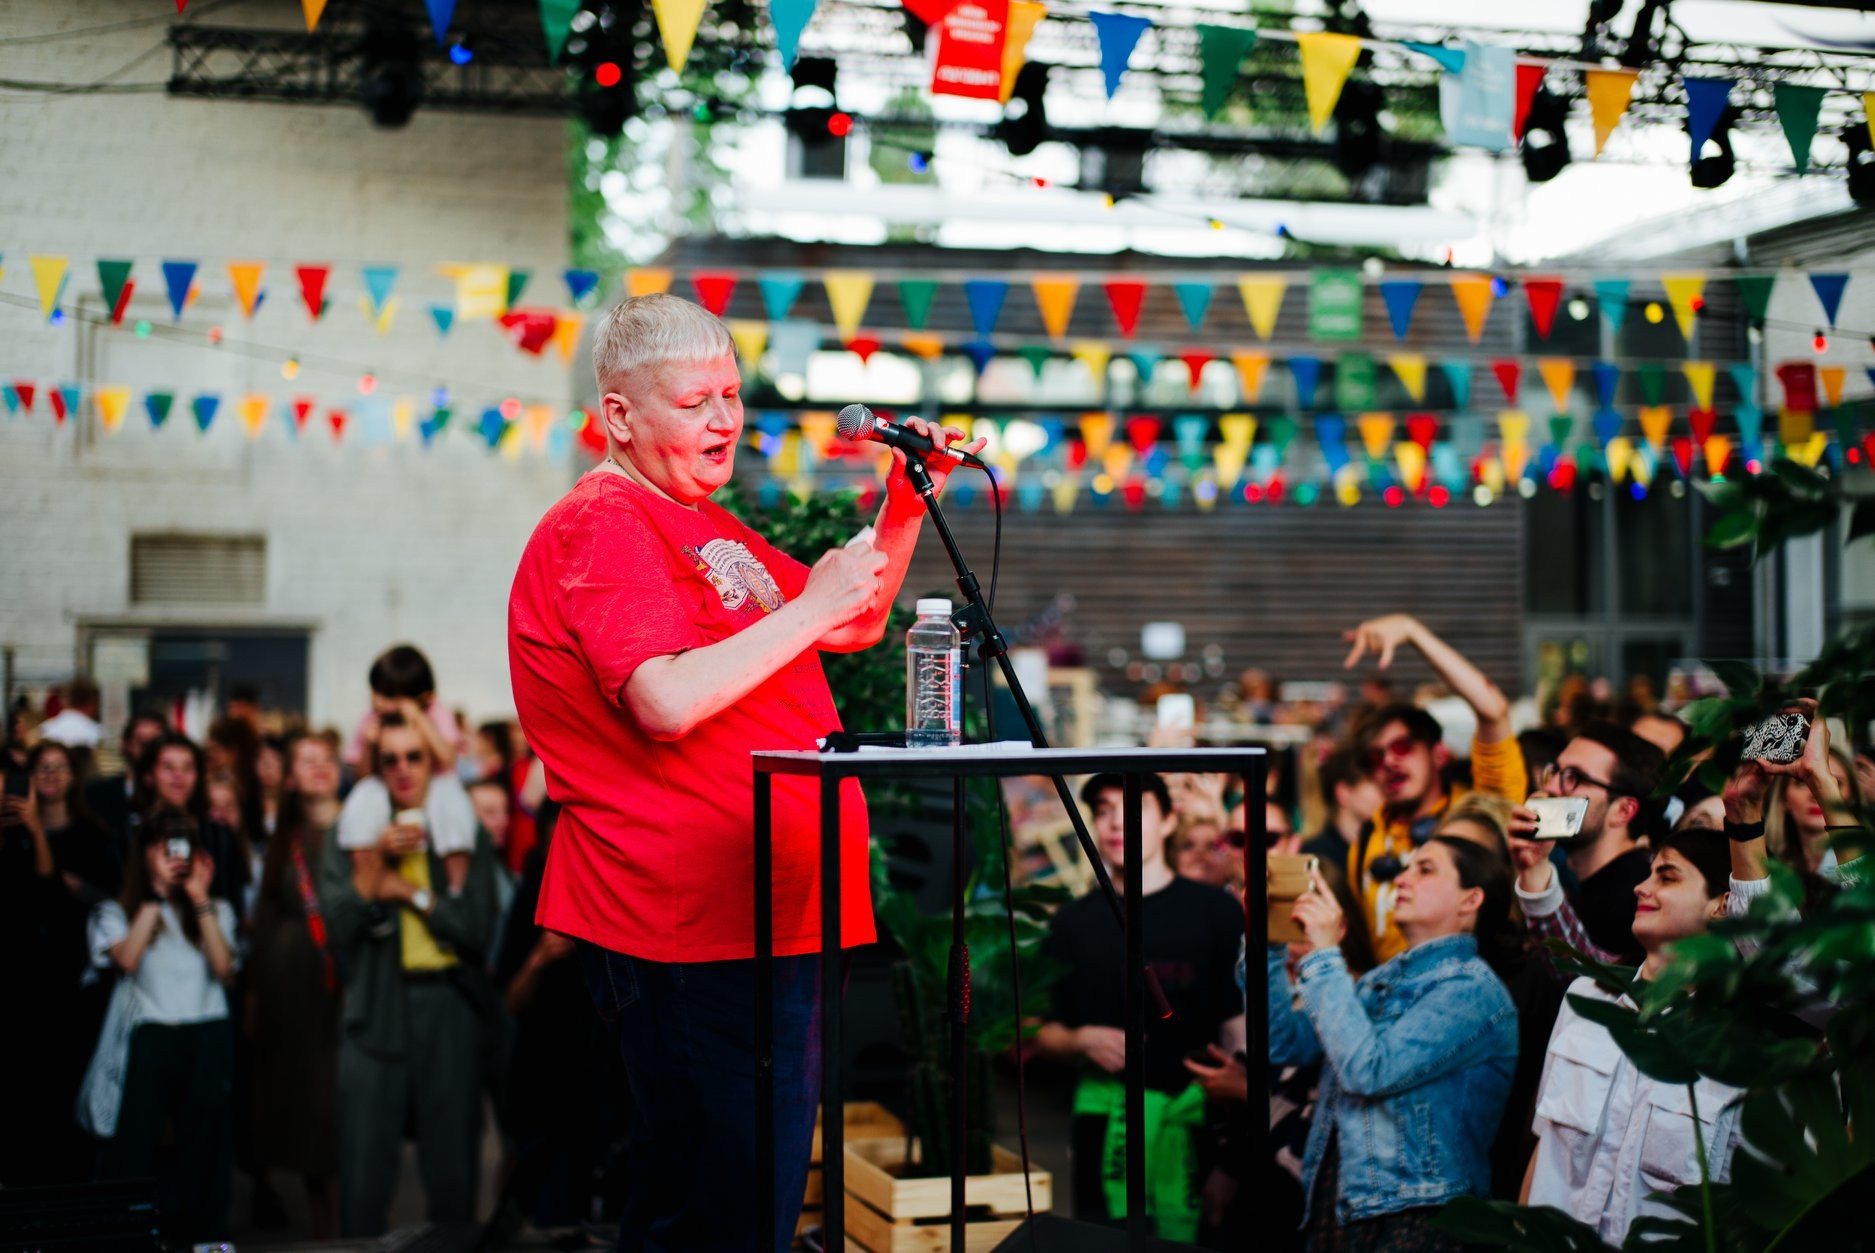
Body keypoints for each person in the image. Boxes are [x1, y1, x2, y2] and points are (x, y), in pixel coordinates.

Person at [507, 292, 981, 1252]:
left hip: (769, 914)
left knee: (751, 1202)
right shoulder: (605, 522)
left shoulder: (697, 521)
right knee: (713, 1210)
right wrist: (810, 608)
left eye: (729, 394)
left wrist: (903, 500)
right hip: (688, 926)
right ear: (619, 415)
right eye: (694, 402)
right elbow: (664, 700)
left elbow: (851, 618)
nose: (723, 418)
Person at [1267, 836, 1519, 1250]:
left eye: (1425, 869)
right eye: (1406, 867)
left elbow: (1369, 1072)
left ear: (1470, 900)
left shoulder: (1471, 991)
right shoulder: (1378, 980)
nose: (1401, 879)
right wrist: (1266, 947)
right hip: (1342, 1204)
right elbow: (1283, 1043)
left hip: (1419, 1220)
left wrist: (1325, 955)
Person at [1034, 773, 1247, 1240]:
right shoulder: (1073, 923)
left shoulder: (1216, 912)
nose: (1117, 822)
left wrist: (1236, 1158)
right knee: (1104, 1240)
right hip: (1102, 1125)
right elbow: (1038, 1030)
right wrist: (1080, 1039)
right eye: (1104, 811)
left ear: (1169, 821)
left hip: (1197, 1122)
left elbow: (1239, 1034)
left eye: (1135, 808)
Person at [319, 714, 501, 1238]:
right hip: (376, 1007)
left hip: (447, 1007)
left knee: (453, 1178)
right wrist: (376, 861)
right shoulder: (352, 832)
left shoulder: (460, 828)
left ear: (432, 763)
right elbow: (338, 927)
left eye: (414, 756)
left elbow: (476, 929)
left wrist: (410, 893)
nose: (402, 768)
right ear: (376, 767)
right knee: (362, 1179)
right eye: (390, 759)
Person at [1520, 828, 1743, 1243]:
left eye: (1667, 876)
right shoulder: (1586, 997)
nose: (1642, 887)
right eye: (1648, 873)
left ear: (1722, 904)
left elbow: (1745, 1206)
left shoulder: (1741, 1047)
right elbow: (1544, 1148)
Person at [85, 810, 240, 1243]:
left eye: (184, 844)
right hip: (149, 1037)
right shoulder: (116, 911)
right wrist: (154, 895)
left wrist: (199, 898)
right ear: (145, 853)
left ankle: (207, 1242)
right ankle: (126, 1242)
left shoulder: (217, 908)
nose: (176, 855)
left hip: (206, 1034)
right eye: (165, 846)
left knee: (206, 1157)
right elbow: (127, 960)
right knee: (133, 1151)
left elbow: (225, 969)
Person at [1339, 614, 1527, 960]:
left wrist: (1412, 632)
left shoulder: (1481, 813)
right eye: (1375, 758)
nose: (1388, 762)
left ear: (1438, 753)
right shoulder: (1367, 840)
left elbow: (1493, 710)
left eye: (1401, 747)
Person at [247, 730, 346, 1239]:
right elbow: (266, 911)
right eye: (308, 761)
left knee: (339, 1108)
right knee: (309, 1111)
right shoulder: (286, 839)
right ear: (289, 778)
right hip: (293, 995)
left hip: (344, 988)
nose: (320, 766)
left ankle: (346, 1225)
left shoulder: (359, 825)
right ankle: (324, 1227)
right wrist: (255, 990)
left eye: (327, 758)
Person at [1510, 723, 1667, 964]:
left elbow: (1583, 977)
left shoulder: (1636, 898)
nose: (1550, 787)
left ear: (1623, 811)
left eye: (1575, 777)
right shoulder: (1583, 883)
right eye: (1555, 771)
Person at [344, 644, 465, 773]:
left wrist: (421, 720)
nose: (376, 701)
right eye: (374, 690)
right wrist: (368, 747)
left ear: (419, 697)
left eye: (388, 694)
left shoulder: (434, 711)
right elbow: (362, 776)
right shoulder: (371, 717)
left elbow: (448, 759)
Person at [1300, 747, 1382, 873]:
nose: (1385, 792)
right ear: (1343, 793)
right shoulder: (1314, 856)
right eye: (1376, 785)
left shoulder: (1385, 846)